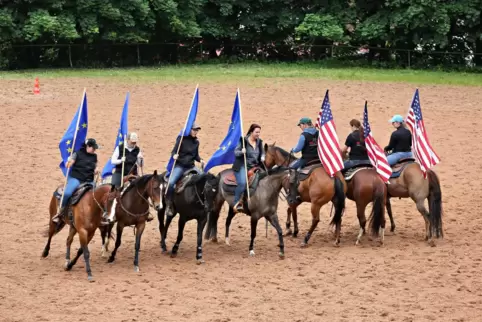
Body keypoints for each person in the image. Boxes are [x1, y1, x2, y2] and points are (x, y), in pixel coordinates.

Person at [52, 138, 107, 224]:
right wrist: (69, 162)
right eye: (93, 148)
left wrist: (96, 170)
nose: (95, 150)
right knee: (67, 193)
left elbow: (96, 166)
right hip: (76, 179)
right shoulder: (77, 154)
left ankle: (100, 216)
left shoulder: (94, 156)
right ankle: (60, 212)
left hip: (89, 180)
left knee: (99, 195)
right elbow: (69, 164)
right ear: (87, 146)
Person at [165, 123, 204, 217]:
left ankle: (203, 201)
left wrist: (201, 159)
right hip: (180, 166)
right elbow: (174, 151)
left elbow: (195, 156)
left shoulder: (196, 142)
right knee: (171, 183)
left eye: (197, 130)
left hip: (191, 166)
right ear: (189, 130)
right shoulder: (181, 139)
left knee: (204, 178)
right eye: (194, 130)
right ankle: (169, 204)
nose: (196, 132)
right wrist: (174, 155)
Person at [232, 123, 266, 213]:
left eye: (259, 132)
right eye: (256, 132)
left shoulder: (259, 142)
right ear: (251, 132)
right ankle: (237, 203)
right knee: (243, 183)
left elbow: (262, 152)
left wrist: (263, 156)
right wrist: (241, 152)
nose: (258, 134)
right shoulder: (243, 141)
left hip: (255, 166)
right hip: (243, 166)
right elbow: (236, 152)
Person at [287, 117, 320, 204]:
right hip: (318, 159)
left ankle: (294, 193)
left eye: (300, 125)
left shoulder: (304, 135)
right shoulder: (318, 133)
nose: (300, 127)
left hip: (307, 159)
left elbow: (298, 149)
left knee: (292, 167)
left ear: (305, 125)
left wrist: (292, 150)